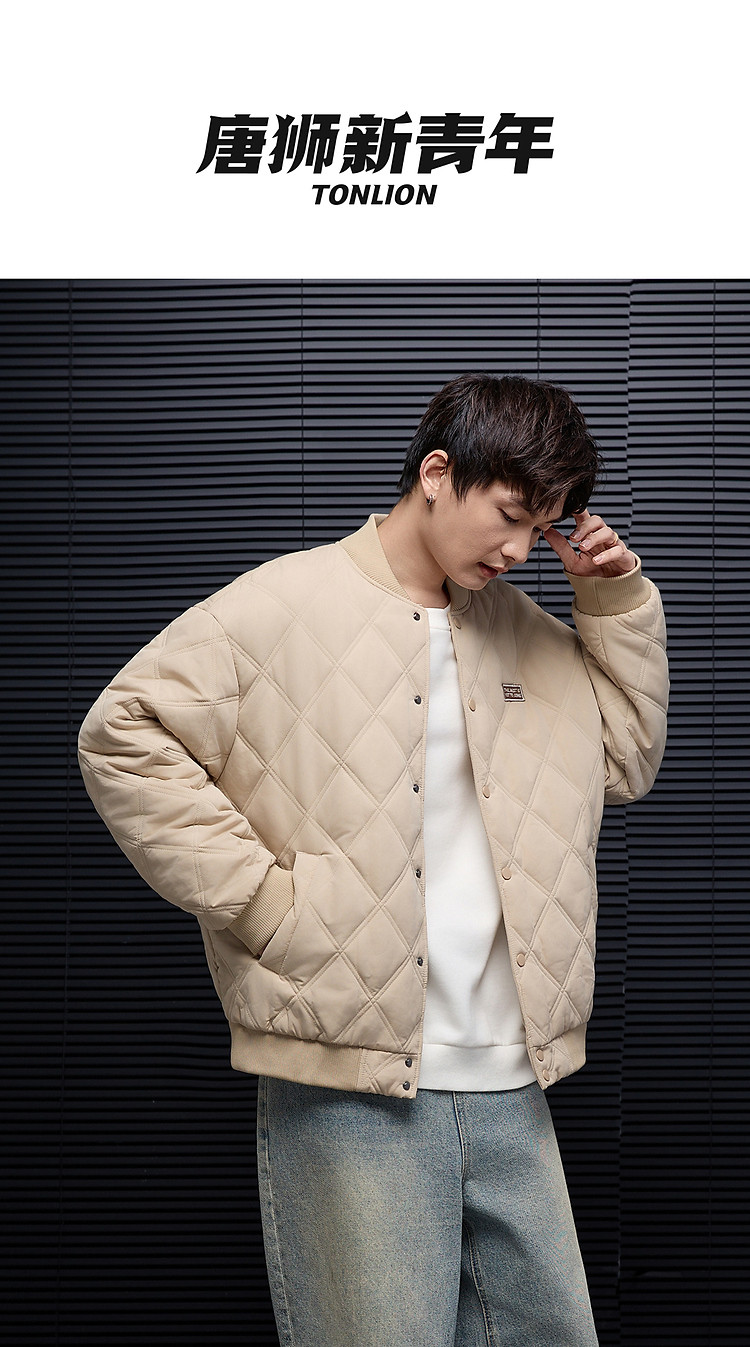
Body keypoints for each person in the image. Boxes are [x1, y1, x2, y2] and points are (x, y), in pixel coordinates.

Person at [78, 372, 669, 1347]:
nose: (521, 551)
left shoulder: (528, 633)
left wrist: (611, 597)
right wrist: (266, 906)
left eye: (543, 528)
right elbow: (122, 734)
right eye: (511, 516)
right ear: (437, 473)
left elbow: (626, 758)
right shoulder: (283, 604)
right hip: (348, 1087)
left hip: (514, 1079)